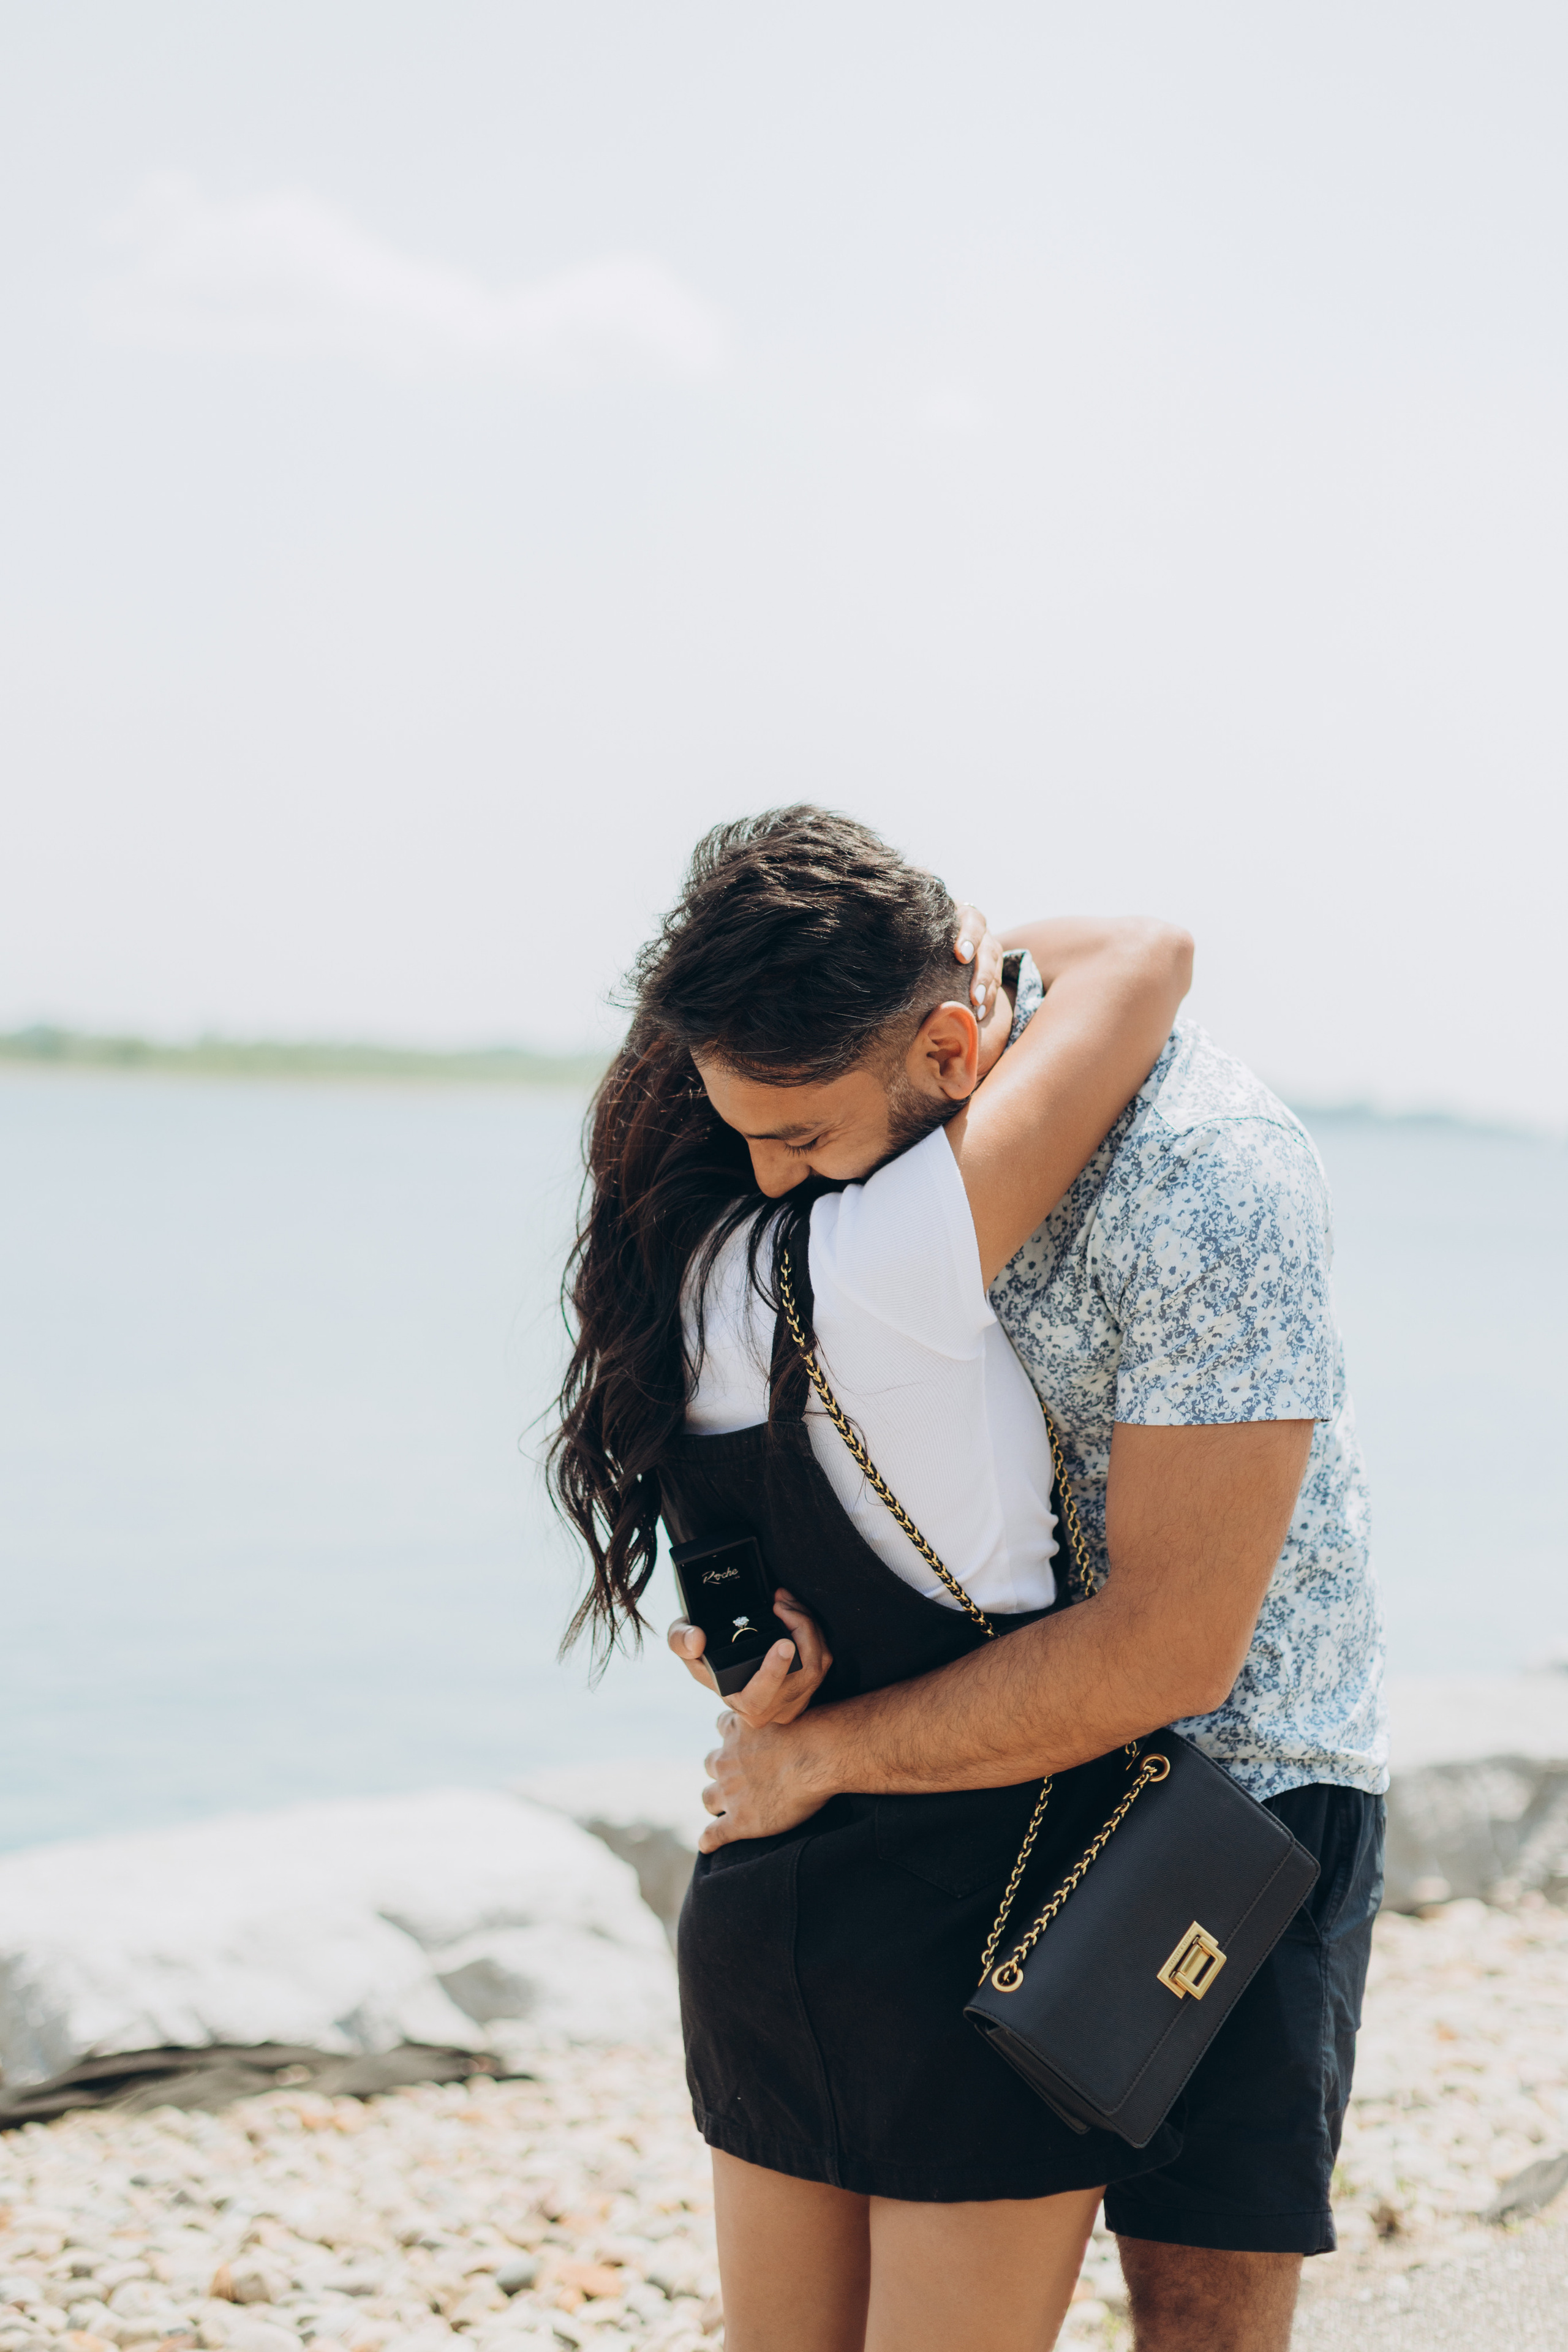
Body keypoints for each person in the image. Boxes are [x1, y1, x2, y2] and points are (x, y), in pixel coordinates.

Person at [552, 807, 1194, 2352]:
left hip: (765, 1900)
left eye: (798, 1133)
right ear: (947, 1043)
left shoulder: (684, 1281)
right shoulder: (894, 1251)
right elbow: (1146, 954)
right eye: (759, 1137)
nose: (776, 1173)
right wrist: (964, 949)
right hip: (993, 1906)